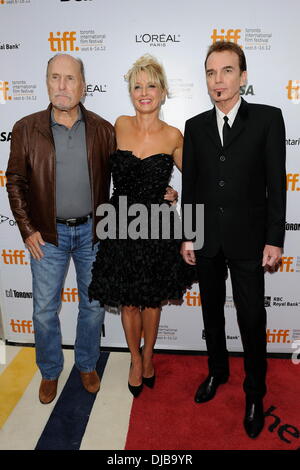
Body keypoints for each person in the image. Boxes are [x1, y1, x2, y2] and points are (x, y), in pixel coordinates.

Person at [181, 41, 286, 438]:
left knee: (252, 319)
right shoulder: (195, 126)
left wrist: (274, 238)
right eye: (211, 72)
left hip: (249, 240)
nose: (218, 80)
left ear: (243, 77)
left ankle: (255, 391)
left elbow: (277, 186)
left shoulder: (268, 120)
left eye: (226, 71)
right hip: (206, 239)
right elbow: (189, 187)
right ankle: (217, 372)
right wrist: (189, 235)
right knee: (211, 312)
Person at [6, 53, 116, 404]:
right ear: (47, 81)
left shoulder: (103, 129)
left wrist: (158, 190)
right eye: (55, 77)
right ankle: (50, 371)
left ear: (83, 85)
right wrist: (27, 229)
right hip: (47, 236)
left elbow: (123, 179)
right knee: (43, 309)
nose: (62, 86)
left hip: (92, 235)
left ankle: (86, 363)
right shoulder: (26, 128)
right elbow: (15, 181)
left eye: (70, 78)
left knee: (93, 304)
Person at [89, 54, 195, 397]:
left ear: (163, 92)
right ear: (130, 92)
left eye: (151, 85)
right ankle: (135, 359)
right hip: (121, 224)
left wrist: (179, 204)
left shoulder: (174, 135)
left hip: (158, 227)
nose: (144, 92)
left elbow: (200, 182)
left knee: (151, 301)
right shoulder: (117, 125)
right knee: (128, 302)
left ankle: (149, 356)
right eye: (137, 86)